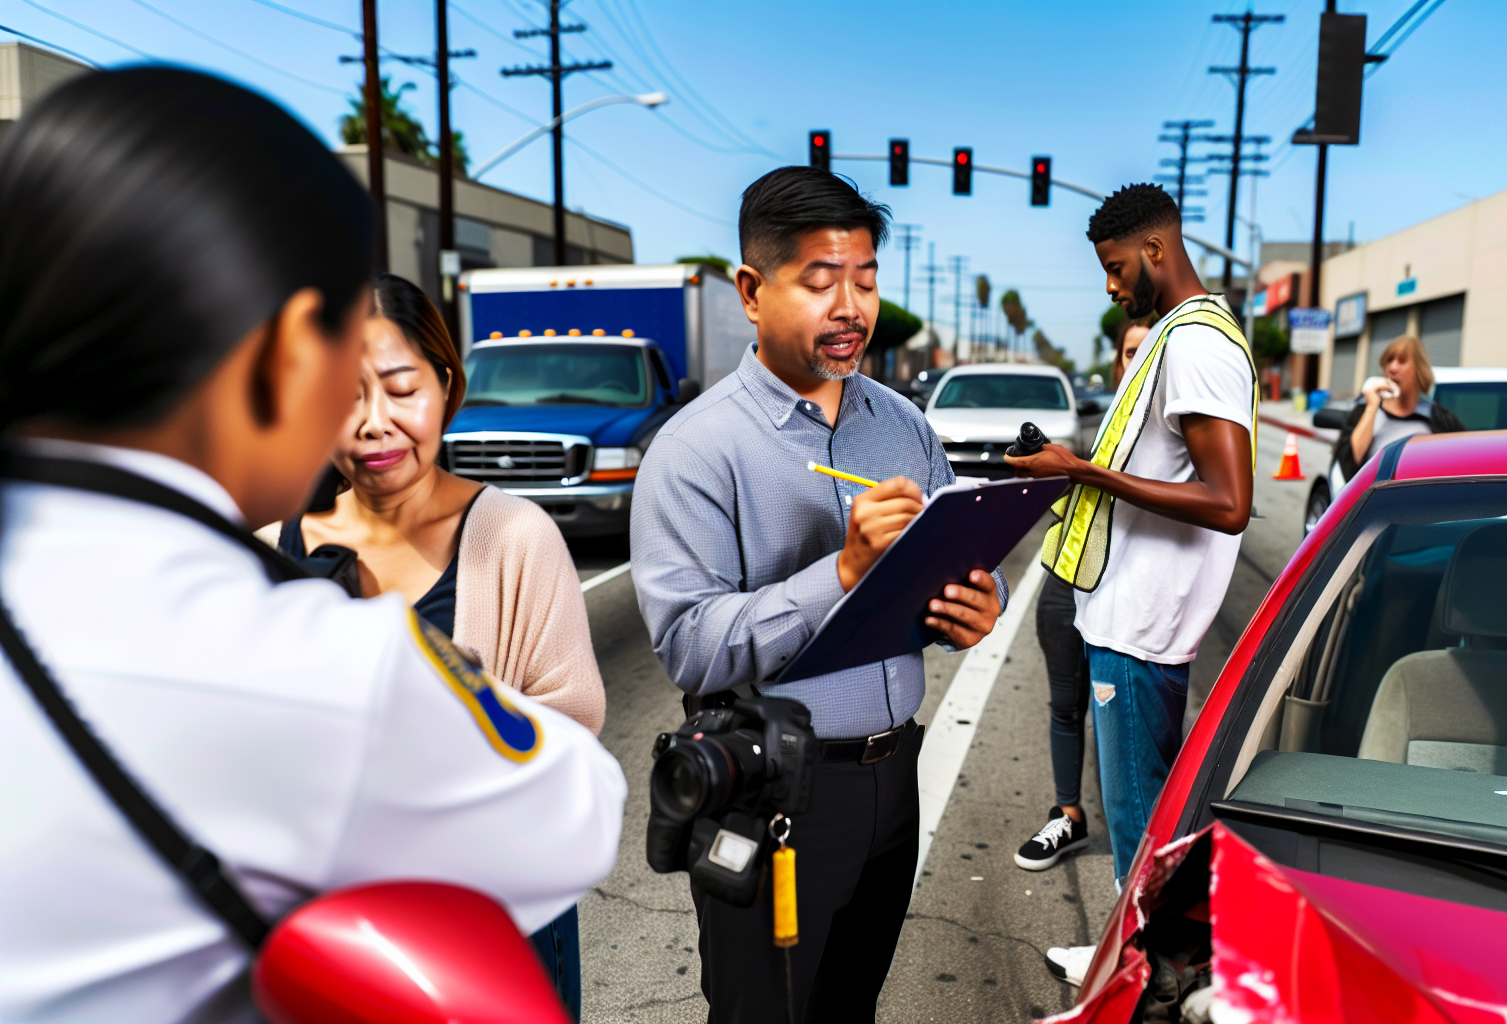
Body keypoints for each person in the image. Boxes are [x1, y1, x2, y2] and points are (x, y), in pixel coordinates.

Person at [0, 67, 625, 1023]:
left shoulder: (501, 532)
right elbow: (576, 814)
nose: (365, 414)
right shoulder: (323, 669)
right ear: (291, 353)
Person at [631, 166, 1006, 1023]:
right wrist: (838, 571)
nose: (851, 307)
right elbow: (689, 643)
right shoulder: (696, 449)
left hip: (893, 775)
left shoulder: (902, 424)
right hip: (774, 793)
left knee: (850, 1007)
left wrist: (972, 609)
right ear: (753, 292)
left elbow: (953, 558)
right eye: (820, 281)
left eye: (866, 280)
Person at [260, 272, 604, 1015]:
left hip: (497, 917)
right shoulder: (264, 550)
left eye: (400, 387)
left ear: (446, 385)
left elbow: (573, 724)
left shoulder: (516, 537)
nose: (373, 422)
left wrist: (458, 707)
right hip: (330, 931)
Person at [1010, 182, 1256, 887]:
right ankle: (1125, 952)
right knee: (1132, 814)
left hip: (1142, 628)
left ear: (1155, 248)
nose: (1112, 287)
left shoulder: (1197, 345)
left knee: (1141, 816)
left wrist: (1081, 471)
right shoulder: (1177, 336)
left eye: (1116, 267)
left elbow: (1229, 501)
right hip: (1125, 617)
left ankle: (1135, 971)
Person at [1014, 317, 1152, 872]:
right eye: (1128, 352)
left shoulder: (1171, 426)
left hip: (1128, 597)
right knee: (1064, 704)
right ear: (1118, 361)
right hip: (1067, 582)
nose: (1136, 362)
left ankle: (1143, 852)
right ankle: (1068, 816)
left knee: (1123, 717)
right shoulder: (1107, 425)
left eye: (1147, 353)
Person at [1333, 333, 1463, 481]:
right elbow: (1349, 467)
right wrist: (1372, 406)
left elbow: (1462, 461)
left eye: (1402, 361)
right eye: (1389, 361)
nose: (1392, 368)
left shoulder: (1438, 417)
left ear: (1419, 369)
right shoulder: (1367, 410)